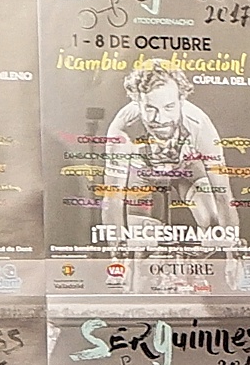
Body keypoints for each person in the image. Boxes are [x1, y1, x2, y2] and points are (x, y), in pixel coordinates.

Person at [102, 63, 239, 243]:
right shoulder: (123, 127)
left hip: (185, 169)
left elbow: (223, 194)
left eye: (169, 107)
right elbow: (113, 198)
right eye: (150, 108)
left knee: (213, 224)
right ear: (136, 102)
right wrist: (117, 252)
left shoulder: (200, 124)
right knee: (141, 241)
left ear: (182, 100)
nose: (160, 119)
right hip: (143, 174)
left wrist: (231, 251)